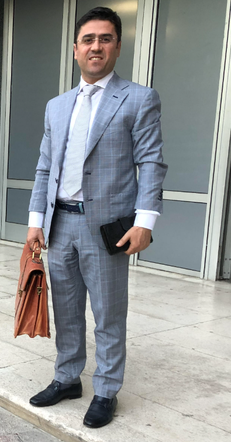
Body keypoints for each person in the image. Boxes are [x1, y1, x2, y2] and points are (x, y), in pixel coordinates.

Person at [25, 7, 167, 428]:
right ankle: (67, 378)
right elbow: (45, 168)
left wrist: (145, 221)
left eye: (105, 39)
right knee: (66, 309)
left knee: (108, 313)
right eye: (88, 39)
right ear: (75, 49)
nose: (96, 47)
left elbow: (151, 162)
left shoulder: (139, 98)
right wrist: (35, 220)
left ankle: (106, 390)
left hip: (106, 228)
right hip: (60, 224)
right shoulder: (57, 106)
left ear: (118, 47)